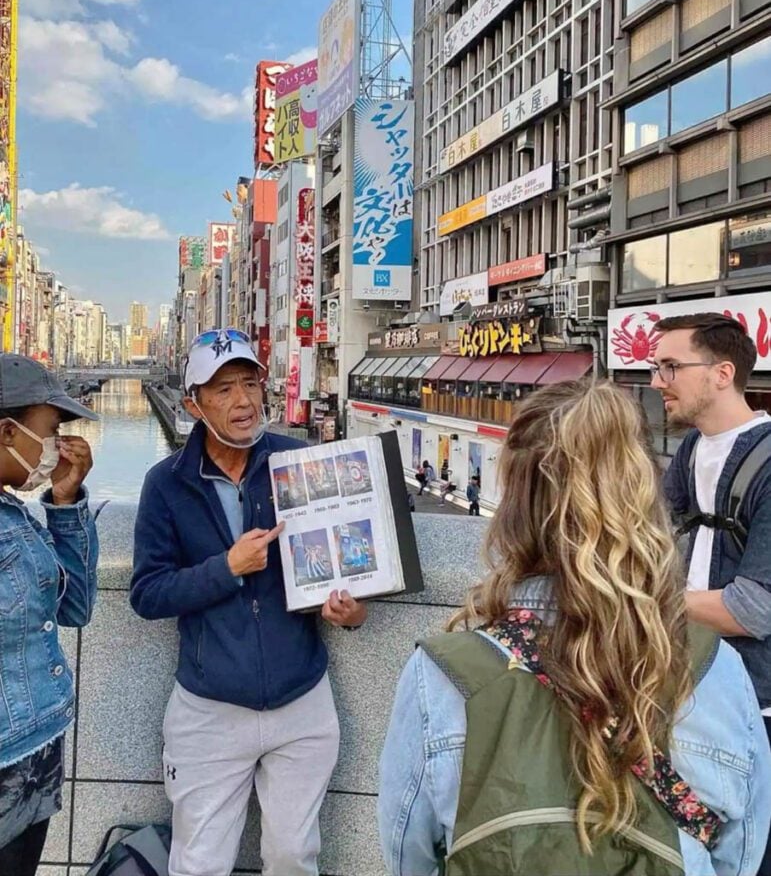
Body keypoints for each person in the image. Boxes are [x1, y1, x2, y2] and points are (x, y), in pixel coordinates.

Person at [379, 381, 771, 876]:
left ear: (514, 511)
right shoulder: (712, 667)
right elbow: (738, 853)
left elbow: (408, 854)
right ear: (643, 501)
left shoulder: (443, 674)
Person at [130, 329, 367, 876]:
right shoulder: (165, 483)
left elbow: (340, 567)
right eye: (222, 389)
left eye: (249, 384)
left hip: (301, 699)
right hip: (209, 708)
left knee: (293, 858)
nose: (242, 402)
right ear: (193, 403)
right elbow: (147, 592)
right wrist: (226, 569)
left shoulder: (298, 460)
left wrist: (352, 613)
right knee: (199, 863)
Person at [652, 313, 771, 874]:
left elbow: (755, 608)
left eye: (671, 366)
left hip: (755, 705)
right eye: (656, 367)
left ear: (723, 373)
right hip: (684, 689)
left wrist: (640, 601)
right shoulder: (692, 450)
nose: (657, 381)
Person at [0, 355, 99, 876]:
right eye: (52, 431)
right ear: (6, 431)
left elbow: (76, 607)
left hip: (38, 745)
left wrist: (64, 501)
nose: (58, 447)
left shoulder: (16, 512)